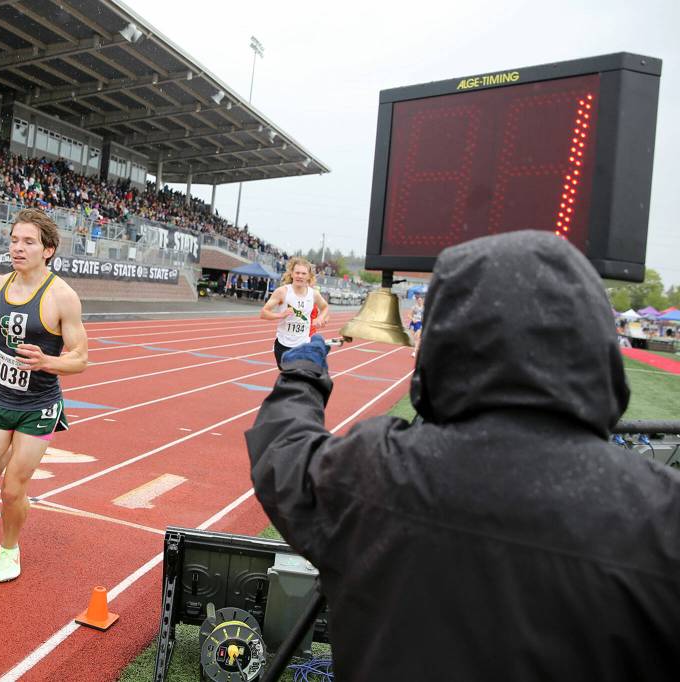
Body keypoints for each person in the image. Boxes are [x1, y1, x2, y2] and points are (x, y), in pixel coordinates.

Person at [245, 231, 680, 682]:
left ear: (445, 341)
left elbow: (281, 449)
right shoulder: (663, 517)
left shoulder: (374, 470)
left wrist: (304, 371)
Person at [0, 208, 88, 583]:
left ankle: (9, 549)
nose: (18, 247)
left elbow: (81, 358)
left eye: (28, 241)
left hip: (39, 407)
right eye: (14, 240)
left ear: (48, 250)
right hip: (0, 401)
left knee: (13, 489)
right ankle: (9, 448)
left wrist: (48, 361)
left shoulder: (62, 296)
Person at [259, 257, 330, 369]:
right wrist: (281, 315)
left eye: (303, 273)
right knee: (289, 377)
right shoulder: (282, 292)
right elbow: (263, 313)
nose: (300, 276)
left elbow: (325, 307)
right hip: (283, 344)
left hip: (303, 344)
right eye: (297, 273)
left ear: (308, 276)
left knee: (301, 375)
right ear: (291, 274)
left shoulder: (313, 294)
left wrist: (320, 318)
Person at [408, 291, 425, 358]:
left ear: (423, 300)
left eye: (421, 300)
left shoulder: (424, 308)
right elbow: (409, 315)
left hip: (420, 323)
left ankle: (414, 352)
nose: (420, 301)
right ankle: (418, 346)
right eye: (418, 300)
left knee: (417, 337)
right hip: (413, 323)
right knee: (414, 338)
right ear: (417, 300)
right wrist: (412, 319)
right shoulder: (414, 307)